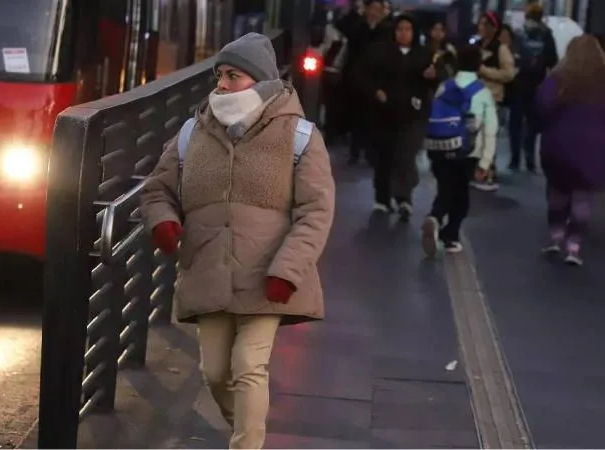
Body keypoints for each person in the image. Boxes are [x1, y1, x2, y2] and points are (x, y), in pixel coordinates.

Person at [139, 32, 336, 448]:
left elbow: (316, 212)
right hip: (208, 269)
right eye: (219, 75)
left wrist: (288, 270)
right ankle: (249, 430)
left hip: (268, 276)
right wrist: (164, 222)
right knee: (213, 373)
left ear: (260, 81)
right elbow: (158, 188)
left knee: (249, 365)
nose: (222, 85)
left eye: (233, 75)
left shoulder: (299, 136)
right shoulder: (194, 131)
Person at [535, 34, 605, 266]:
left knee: (558, 193)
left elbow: (542, 107)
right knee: (582, 197)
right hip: (593, 148)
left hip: (558, 145)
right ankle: (573, 247)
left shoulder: (557, 78)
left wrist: (540, 127)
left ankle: (555, 237)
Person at [421, 44, 498, 255]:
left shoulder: (445, 86)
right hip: (466, 153)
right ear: (479, 65)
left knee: (445, 188)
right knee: (461, 197)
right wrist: (485, 162)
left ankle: (436, 219)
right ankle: (449, 235)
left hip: (438, 148)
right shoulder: (482, 92)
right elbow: (490, 130)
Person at [355, 13, 434, 220]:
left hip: (413, 115)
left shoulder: (423, 54)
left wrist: (432, 77)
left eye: (408, 29)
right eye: (400, 29)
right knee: (383, 157)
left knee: (405, 155)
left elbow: (433, 81)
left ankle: (404, 198)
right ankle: (382, 198)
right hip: (384, 114)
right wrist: (376, 91)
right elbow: (362, 74)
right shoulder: (380, 52)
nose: (404, 33)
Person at [334, 0, 393, 164]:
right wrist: (356, 11)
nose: (374, 12)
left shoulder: (386, 30)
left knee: (373, 117)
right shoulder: (357, 26)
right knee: (356, 115)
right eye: (372, 8)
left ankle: (370, 152)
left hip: (377, 78)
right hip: (355, 78)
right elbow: (341, 25)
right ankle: (354, 151)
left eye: (378, 9)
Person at [509, 3, 558, 172]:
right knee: (533, 123)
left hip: (519, 82)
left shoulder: (519, 34)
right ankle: (529, 157)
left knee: (515, 122)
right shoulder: (547, 35)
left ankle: (515, 158)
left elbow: (512, 57)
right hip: (538, 83)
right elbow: (552, 60)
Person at [472, 10, 515, 191]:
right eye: (480, 24)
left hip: (493, 99)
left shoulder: (501, 49)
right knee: (477, 139)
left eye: (485, 24)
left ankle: (488, 174)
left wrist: (485, 72)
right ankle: (477, 172)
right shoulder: (478, 45)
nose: (481, 28)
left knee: (488, 138)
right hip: (475, 98)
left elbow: (509, 74)